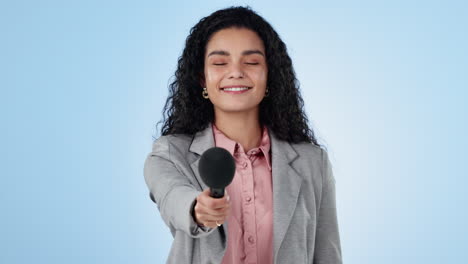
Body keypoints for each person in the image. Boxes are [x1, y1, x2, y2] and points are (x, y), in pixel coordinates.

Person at [144, 6, 342, 264]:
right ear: (202, 79)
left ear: (270, 75)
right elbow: (173, 197)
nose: (236, 72)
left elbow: (327, 255)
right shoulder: (169, 154)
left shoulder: (312, 162)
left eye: (251, 62)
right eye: (219, 63)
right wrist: (199, 209)